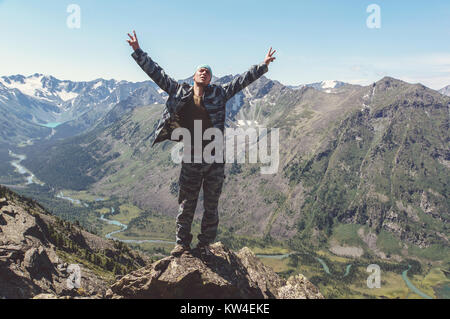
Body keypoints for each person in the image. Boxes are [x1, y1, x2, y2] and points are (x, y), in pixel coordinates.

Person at [127, 30, 276, 260]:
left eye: (208, 71)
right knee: (186, 203)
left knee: (211, 205)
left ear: (211, 78)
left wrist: (263, 65)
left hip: (215, 158)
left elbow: (242, 81)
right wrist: (138, 51)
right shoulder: (180, 91)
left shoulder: (219, 93)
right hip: (192, 156)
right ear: (194, 76)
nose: (204, 72)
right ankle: (181, 244)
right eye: (201, 70)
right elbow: (157, 74)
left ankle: (205, 244)